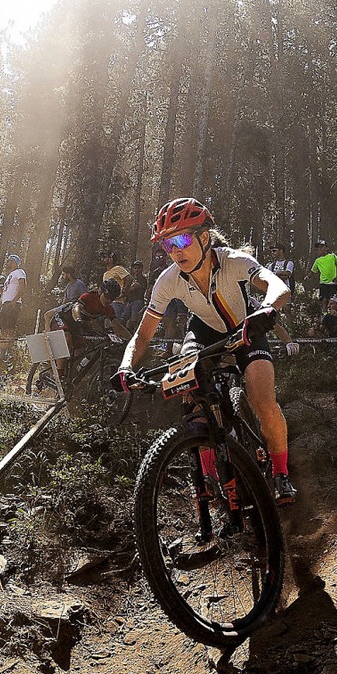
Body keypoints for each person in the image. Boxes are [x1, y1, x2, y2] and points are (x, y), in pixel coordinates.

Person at [116, 197, 296, 505]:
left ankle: (281, 474)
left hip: (246, 328)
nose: (175, 251)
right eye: (167, 246)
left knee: (263, 401)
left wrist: (266, 310)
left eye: (182, 239)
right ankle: (211, 476)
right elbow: (143, 333)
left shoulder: (232, 259)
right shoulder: (168, 280)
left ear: (203, 237)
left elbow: (278, 286)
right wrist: (125, 366)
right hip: (203, 333)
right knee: (194, 402)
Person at [0, 255, 27, 370]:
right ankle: (2, 354)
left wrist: (14, 301)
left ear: (15, 262)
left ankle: (9, 355)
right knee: (3, 329)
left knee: (9, 329)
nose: (7, 263)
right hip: (6, 304)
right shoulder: (9, 275)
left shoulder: (19, 272)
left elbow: (22, 286)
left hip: (12, 304)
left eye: (9, 261)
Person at [309, 240, 337, 311]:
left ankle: (332, 314)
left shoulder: (332, 256)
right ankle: (324, 315)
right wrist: (308, 277)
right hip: (323, 283)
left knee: (332, 300)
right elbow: (313, 271)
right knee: (324, 300)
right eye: (318, 248)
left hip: (332, 283)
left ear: (327, 248)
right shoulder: (318, 260)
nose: (320, 249)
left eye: (321, 247)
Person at [267, 243, 294, 326]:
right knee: (275, 311)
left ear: (281, 251)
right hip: (275, 290)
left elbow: (287, 275)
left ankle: (291, 330)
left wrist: (276, 273)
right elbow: (268, 277)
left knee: (287, 309)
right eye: (271, 251)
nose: (272, 253)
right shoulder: (271, 265)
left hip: (285, 289)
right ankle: (277, 332)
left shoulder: (289, 263)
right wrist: (280, 274)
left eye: (274, 251)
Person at [101, 251, 130, 319]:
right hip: (107, 303)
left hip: (117, 302)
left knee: (115, 323)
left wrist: (123, 292)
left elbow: (129, 278)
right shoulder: (105, 274)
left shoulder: (118, 269)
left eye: (104, 257)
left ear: (111, 259)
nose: (102, 259)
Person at [120, 260, 147, 330]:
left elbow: (134, 287)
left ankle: (135, 334)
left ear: (141, 269)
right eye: (135, 268)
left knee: (134, 320)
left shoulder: (142, 279)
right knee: (123, 318)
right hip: (129, 302)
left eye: (138, 268)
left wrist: (126, 289)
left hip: (138, 301)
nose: (137, 270)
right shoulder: (131, 279)